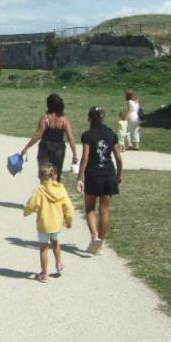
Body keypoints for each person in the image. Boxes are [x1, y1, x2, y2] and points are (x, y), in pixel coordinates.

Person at [77, 106, 123, 255]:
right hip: (109, 174)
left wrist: (80, 176)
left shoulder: (87, 135)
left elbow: (85, 158)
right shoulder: (111, 135)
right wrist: (118, 175)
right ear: (103, 118)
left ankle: (94, 236)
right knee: (105, 210)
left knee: (90, 208)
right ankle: (100, 243)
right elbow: (119, 158)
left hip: (93, 175)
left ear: (89, 118)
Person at [24, 161, 75, 282]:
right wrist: (69, 219)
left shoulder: (40, 190)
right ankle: (58, 263)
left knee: (44, 248)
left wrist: (26, 211)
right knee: (56, 243)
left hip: (43, 224)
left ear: (41, 177)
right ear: (56, 175)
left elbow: (31, 204)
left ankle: (44, 273)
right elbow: (68, 207)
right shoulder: (61, 190)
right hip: (57, 224)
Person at [19, 93, 78, 180]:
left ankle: (44, 193)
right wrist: (75, 154)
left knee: (44, 176)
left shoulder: (45, 118)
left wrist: (26, 147)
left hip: (45, 148)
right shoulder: (64, 120)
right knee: (56, 176)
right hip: (59, 149)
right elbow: (71, 138)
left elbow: (38, 135)